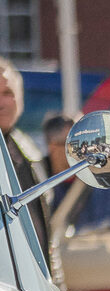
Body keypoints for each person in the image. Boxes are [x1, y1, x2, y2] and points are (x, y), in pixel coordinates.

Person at [0, 60, 54, 279]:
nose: (1, 103)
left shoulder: (27, 149)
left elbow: (43, 231)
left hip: (35, 289)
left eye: (7, 93)